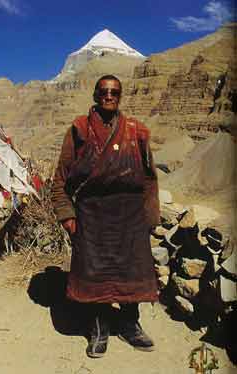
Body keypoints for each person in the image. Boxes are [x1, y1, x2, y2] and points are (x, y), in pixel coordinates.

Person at [51, 75, 160, 358]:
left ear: (120, 96)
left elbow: (150, 178)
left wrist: (151, 216)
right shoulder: (80, 129)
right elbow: (60, 178)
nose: (108, 96)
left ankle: (129, 324)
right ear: (95, 94)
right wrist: (67, 215)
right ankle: (98, 327)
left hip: (131, 218)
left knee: (132, 272)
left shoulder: (137, 131)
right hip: (93, 216)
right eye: (103, 91)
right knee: (95, 273)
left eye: (114, 92)